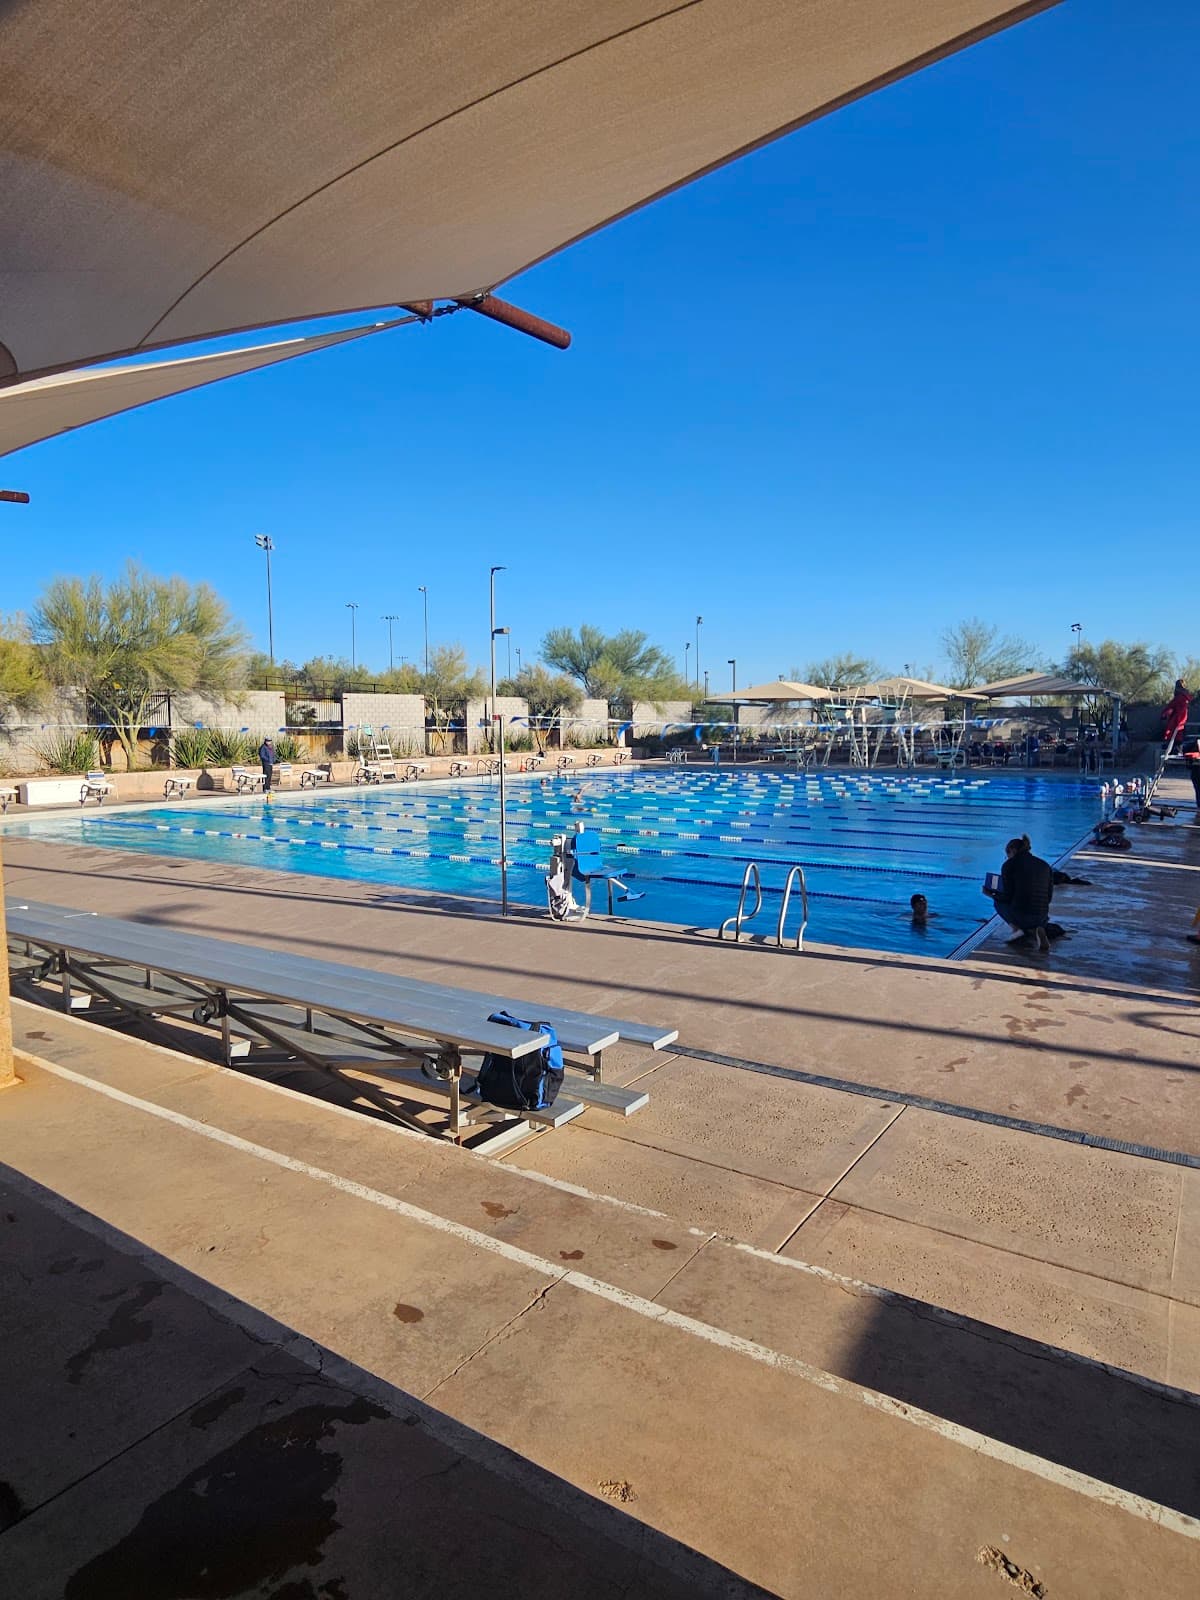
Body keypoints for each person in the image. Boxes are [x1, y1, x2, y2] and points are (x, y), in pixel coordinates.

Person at [984, 833, 1053, 953]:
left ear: (1012, 850)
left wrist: (991, 894)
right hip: (1042, 917)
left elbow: (1007, 897)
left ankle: (1016, 930)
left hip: (1023, 916)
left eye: (1007, 854)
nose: (1007, 857)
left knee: (998, 902)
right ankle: (1038, 929)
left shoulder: (1010, 865)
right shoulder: (1044, 865)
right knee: (1031, 905)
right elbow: (1049, 896)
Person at [1161, 680, 1191, 749]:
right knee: (1178, 742)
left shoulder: (1179, 698)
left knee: (1174, 743)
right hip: (1180, 723)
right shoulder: (1184, 698)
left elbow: (1171, 708)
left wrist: (1165, 714)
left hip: (1176, 724)